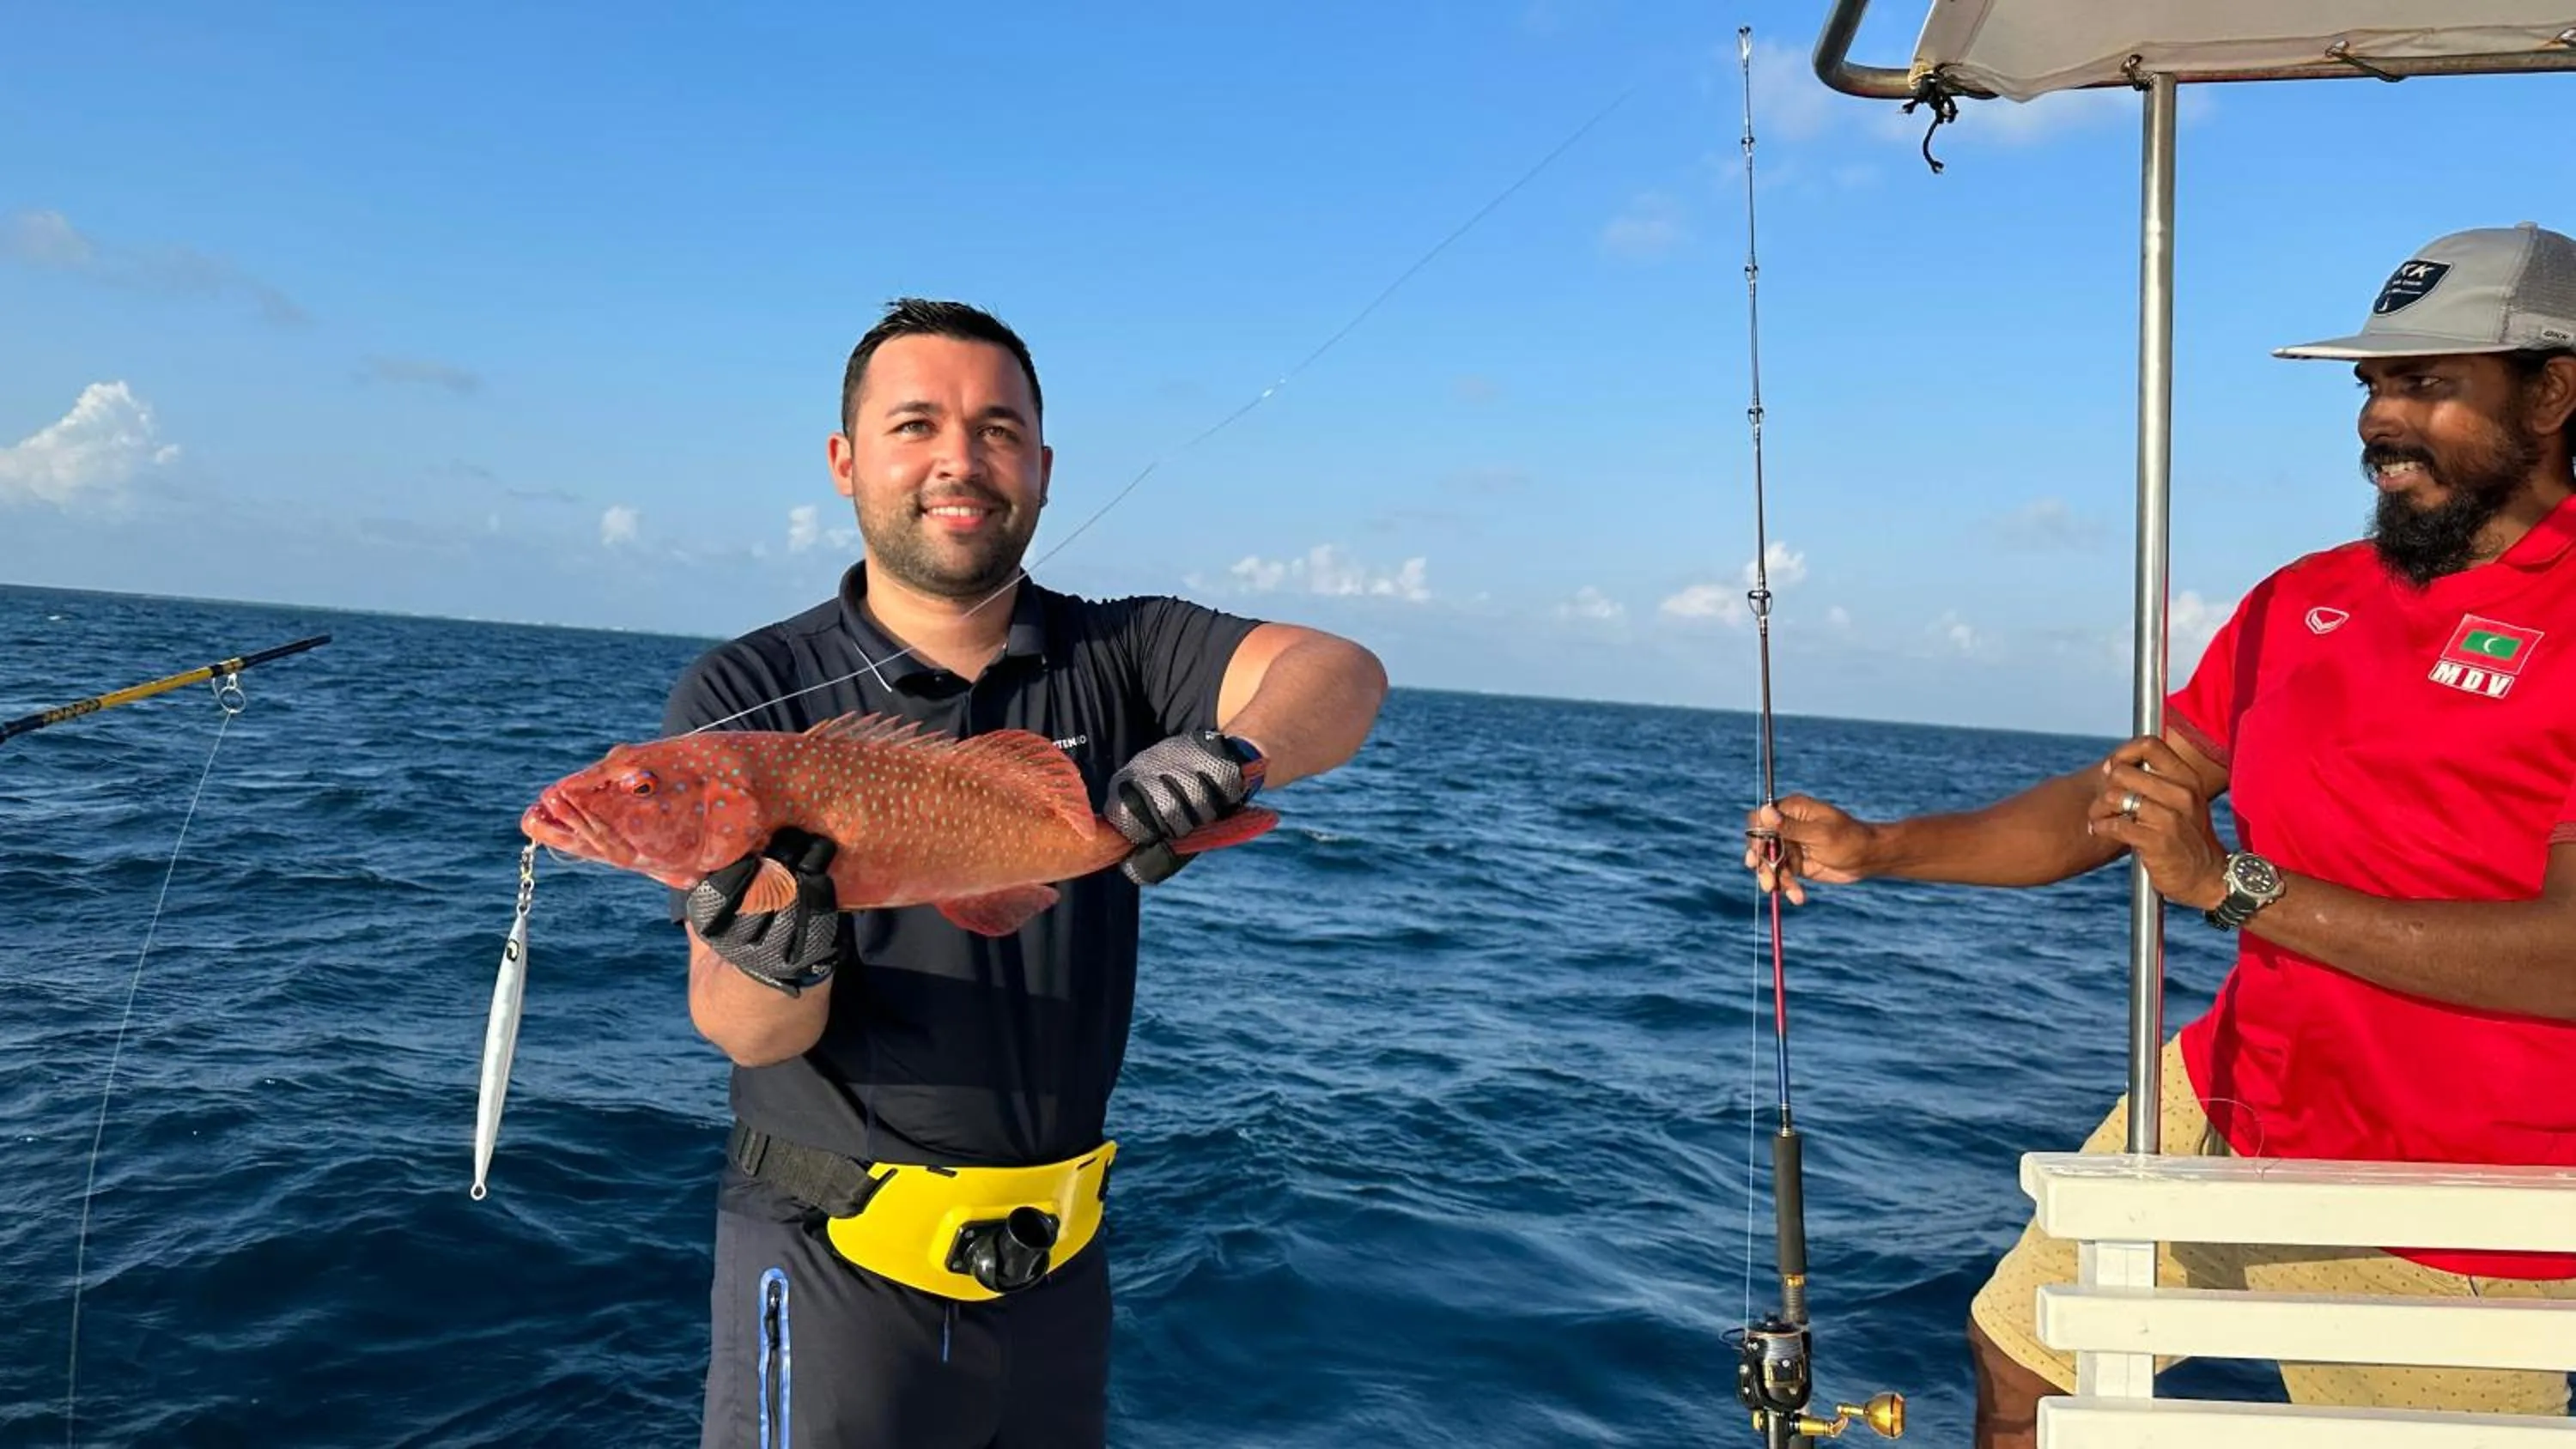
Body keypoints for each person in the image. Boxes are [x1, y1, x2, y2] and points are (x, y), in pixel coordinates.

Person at [1744, 222, 2576, 1446]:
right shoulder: (2305, 599)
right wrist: (1885, 847)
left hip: (2468, 1197)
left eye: (2428, 383)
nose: (2378, 422)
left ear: (2555, 391)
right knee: (2025, 1360)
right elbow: (2133, 793)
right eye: (2373, 385)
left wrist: (2232, 886)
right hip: (2242, 1096)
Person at [660, 297, 1388, 1449]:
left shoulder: (1128, 649)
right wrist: (774, 964)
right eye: (915, 425)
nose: (960, 458)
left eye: (997, 429)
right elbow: (746, 1032)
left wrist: (1236, 751)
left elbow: (1340, 673)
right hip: (829, 1259)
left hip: (1058, 1272)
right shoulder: (749, 696)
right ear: (846, 462)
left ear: (1042, 467)